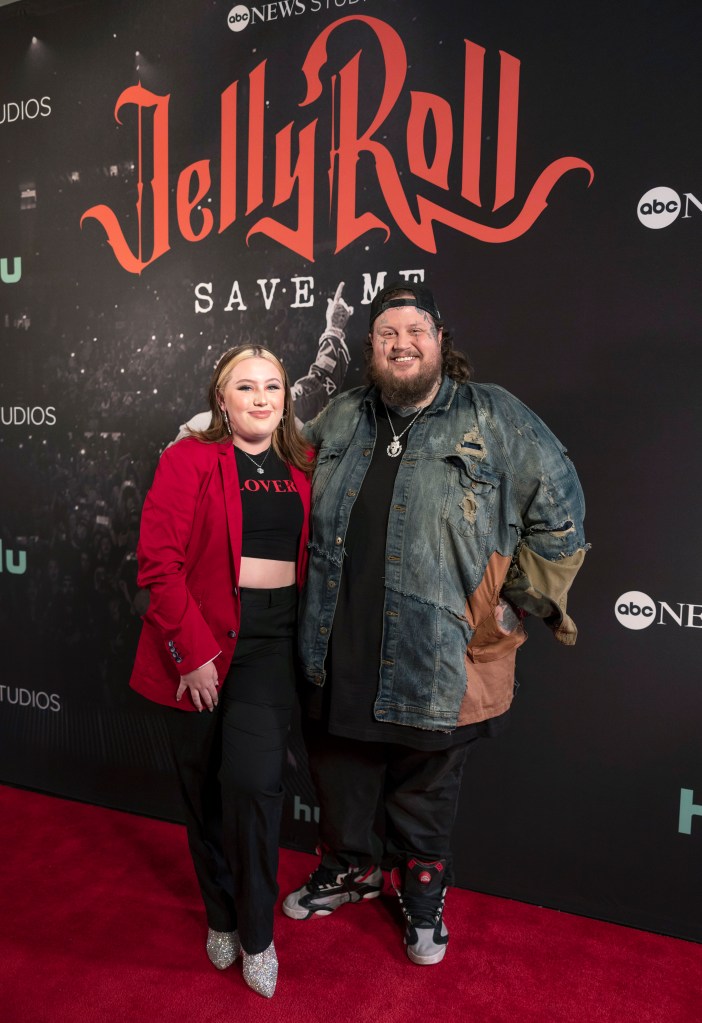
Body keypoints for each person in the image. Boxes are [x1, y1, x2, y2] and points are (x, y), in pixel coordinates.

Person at [282, 281, 588, 966]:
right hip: (337, 642)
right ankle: (349, 868)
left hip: (442, 655)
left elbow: (561, 505)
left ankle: (420, 894)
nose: (402, 342)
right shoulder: (343, 415)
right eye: (388, 332)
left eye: (415, 330)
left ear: (440, 340)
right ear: (373, 348)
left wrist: (513, 600)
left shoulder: (493, 415)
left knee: (427, 789)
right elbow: (281, 445)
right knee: (340, 771)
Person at [130, 345, 312, 998]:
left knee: (255, 788)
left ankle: (257, 933)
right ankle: (220, 914)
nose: (262, 397)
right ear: (221, 398)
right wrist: (193, 652)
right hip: (200, 646)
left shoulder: (304, 462)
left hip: (271, 648)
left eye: (273, 386)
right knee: (204, 792)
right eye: (246, 386)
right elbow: (159, 563)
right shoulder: (188, 459)